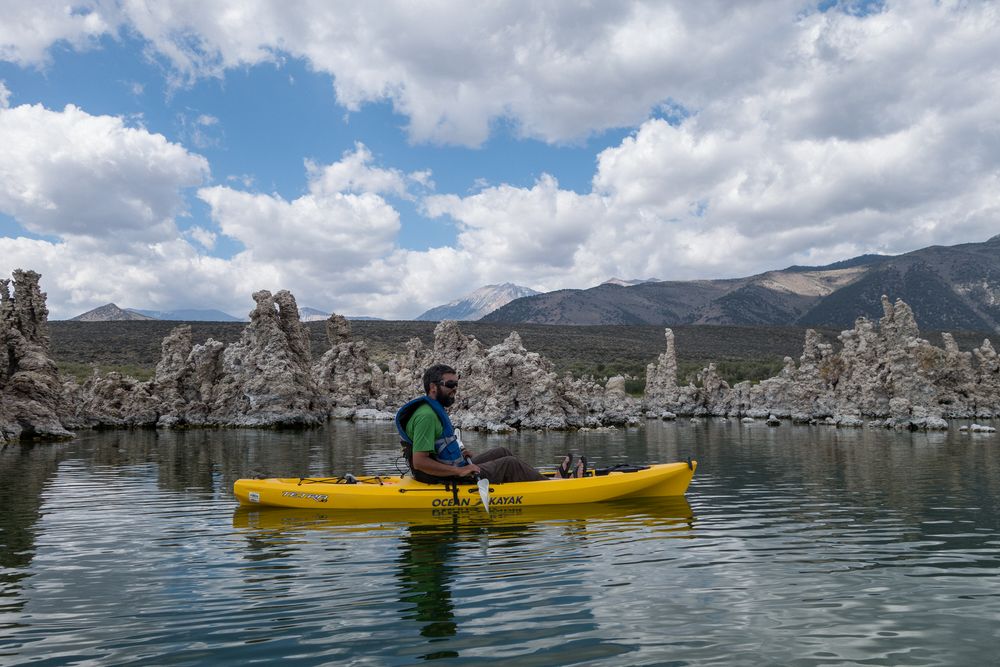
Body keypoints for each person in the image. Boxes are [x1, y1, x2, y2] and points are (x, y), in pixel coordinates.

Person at [395, 364, 583, 484]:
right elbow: (420, 462)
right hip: (438, 477)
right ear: (433, 388)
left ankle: (543, 480)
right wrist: (459, 471)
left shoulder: (435, 409)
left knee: (502, 452)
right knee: (509, 464)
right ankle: (551, 485)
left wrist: (459, 456)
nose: (455, 390)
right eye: (450, 385)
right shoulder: (426, 416)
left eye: (456, 384)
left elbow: (438, 446)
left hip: (450, 468)